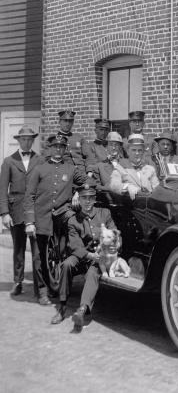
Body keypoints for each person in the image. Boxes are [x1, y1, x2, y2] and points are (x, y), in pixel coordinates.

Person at [24, 134, 87, 304]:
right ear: (50, 149)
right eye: (55, 147)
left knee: (61, 254)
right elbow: (29, 196)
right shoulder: (39, 168)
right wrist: (29, 222)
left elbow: (88, 182)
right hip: (40, 218)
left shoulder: (71, 169)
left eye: (61, 147)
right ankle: (43, 292)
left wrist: (77, 192)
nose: (58, 150)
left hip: (60, 218)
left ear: (65, 149)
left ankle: (60, 288)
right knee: (38, 257)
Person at [50, 183, 116, 326]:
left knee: (93, 273)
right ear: (78, 200)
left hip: (100, 258)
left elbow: (115, 233)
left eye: (90, 198)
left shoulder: (104, 213)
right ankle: (62, 307)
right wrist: (90, 255)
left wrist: (112, 247)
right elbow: (75, 246)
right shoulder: (73, 220)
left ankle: (82, 309)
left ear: (95, 199)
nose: (87, 201)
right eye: (84, 198)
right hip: (82, 256)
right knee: (66, 265)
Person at [0, 126, 43, 297]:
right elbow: (2, 189)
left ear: (33, 140)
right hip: (15, 210)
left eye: (30, 139)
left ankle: (39, 286)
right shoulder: (9, 161)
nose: (26, 142)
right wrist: (4, 213)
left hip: (34, 210)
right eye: (23, 139)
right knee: (18, 249)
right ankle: (18, 282)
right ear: (18, 140)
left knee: (37, 250)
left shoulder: (39, 160)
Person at [110, 134, 159, 200]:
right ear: (128, 151)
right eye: (134, 150)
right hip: (131, 206)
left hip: (149, 205)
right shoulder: (120, 168)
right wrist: (127, 187)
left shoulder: (150, 169)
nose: (137, 153)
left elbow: (157, 188)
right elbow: (113, 185)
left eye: (140, 150)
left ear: (143, 152)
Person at [44, 110, 87, 174]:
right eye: (65, 121)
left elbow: (88, 156)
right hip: (64, 173)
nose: (68, 124)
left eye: (70, 121)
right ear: (59, 122)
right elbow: (47, 159)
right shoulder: (52, 140)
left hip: (81, 173)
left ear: (73, 122)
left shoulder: (79, 138)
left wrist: (89, 172)